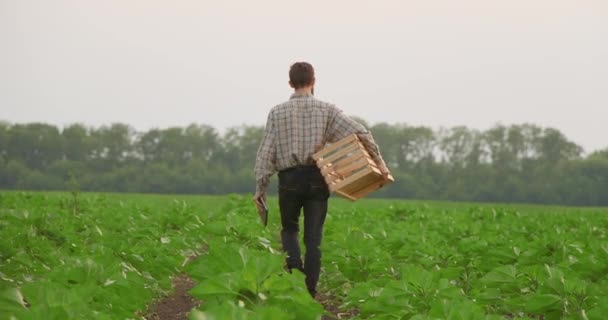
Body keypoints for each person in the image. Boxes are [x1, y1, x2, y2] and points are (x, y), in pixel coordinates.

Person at [253, 62, 389, 298]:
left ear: (290, 83)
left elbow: (267, 151)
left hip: (289, 179)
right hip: (318, 177)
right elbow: (361, 133)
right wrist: (380, 163)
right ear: (313, 81)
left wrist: (260, 187)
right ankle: (310, 291)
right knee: (314, 239)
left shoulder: (277, 112)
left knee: (289, 230)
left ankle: (295, 280)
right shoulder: (327, 110)